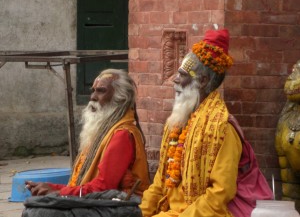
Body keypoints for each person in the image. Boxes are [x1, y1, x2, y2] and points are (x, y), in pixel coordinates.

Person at [139, 29, 272, 217]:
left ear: (201, 81)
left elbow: (220, 194)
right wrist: (139, 212)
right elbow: (161, 181)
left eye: (182, 74)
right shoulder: (176, 123)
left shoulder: (222, 128)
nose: (175, 80)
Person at [25, 68, 150, 197]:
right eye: (93, 91)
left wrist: (59, 192)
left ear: (121, 98)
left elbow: (104, 188)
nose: (93, 97)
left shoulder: (122, 135)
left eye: (101, 91)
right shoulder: (102, 131)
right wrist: (50, 187)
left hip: (120, 206)